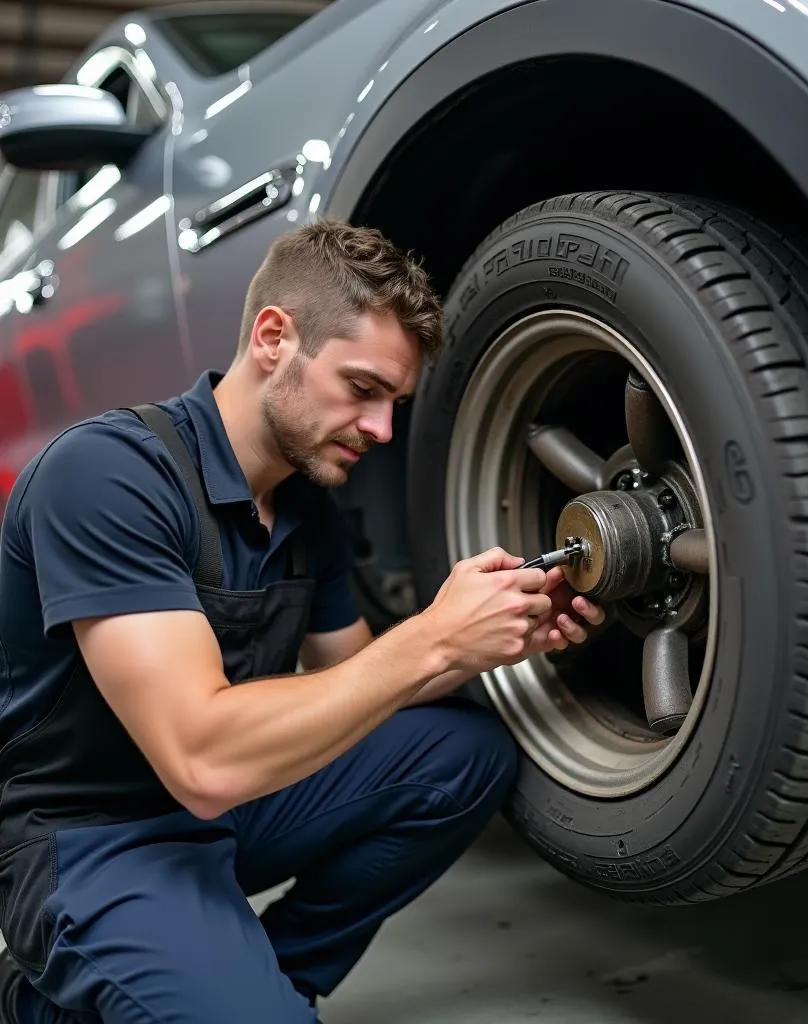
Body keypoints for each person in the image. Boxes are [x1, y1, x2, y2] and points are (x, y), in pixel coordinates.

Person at [0, 218, 604, 1023]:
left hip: (224, 811)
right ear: (274, 338)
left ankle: (267, 984)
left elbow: (352, 678)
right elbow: (201, 757)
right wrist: (431, 636)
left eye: (394, 403)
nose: (381, 430)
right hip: (92, 839)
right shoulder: (109, 476)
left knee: (463, 752)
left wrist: (490, 636)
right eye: (363, 389)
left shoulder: (304, 508)